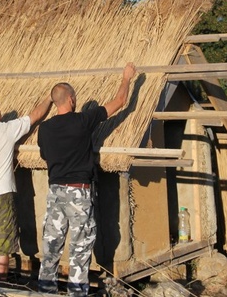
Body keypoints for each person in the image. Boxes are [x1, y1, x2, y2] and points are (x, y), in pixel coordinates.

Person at [36, 63, 137, 296]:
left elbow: (44, 155)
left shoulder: (45, 129)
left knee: (51, 248)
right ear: (71, 99)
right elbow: (119, 102)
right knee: (80, 250)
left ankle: (44, 292)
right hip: (78, 193)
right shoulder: (83, 121)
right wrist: (127, 78)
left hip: (55, 193)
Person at [0, 96, 52, 283]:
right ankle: (0, 286)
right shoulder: (6, 129)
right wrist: (49, 99)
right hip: (1, 195)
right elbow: (35, 116)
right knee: (2, 246)